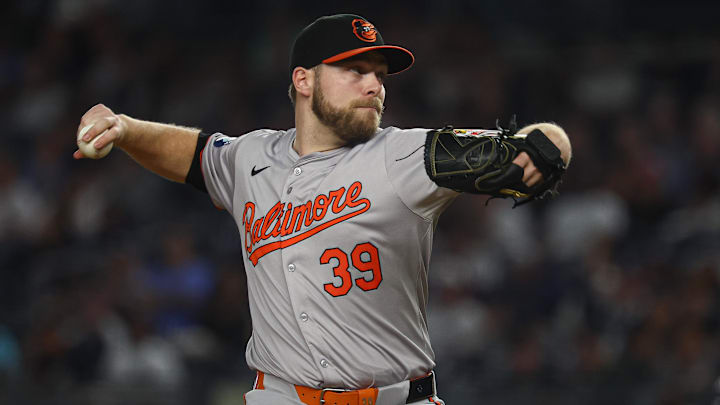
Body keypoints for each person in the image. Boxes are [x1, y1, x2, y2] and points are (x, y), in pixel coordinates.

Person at [74, 13, 571, 405]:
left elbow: (531, 146)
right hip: (279, 396)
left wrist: (548, 145)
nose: (374, 85)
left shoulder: (406, 155)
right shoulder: (251, 157)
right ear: (304, 80)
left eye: (379, 75)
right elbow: (194, 153)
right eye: (355, 70)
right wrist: (124, 128)